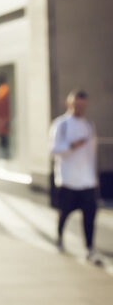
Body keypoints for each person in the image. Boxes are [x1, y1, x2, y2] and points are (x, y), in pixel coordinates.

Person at [50, 90, 100, 262]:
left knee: (90, 217)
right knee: (64, 214)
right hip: (68, 180)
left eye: (83, 105)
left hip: (87, 181)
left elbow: (92, 154)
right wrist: (71, 146)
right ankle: (59, 239)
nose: (80, 108)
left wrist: (95, 178)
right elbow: (54, 150)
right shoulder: (61, 125)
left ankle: (89, 248)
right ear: (69, 104)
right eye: (76, 105)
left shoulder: (89, 125)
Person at [0, 75, 11, 157]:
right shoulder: (3, 90)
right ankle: (5, 154)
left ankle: (5, 154)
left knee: (3, 136)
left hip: (2, 117)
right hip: (3, 117)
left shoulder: (2, 90)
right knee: (3, 137)